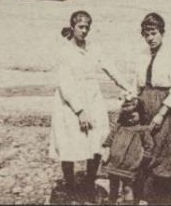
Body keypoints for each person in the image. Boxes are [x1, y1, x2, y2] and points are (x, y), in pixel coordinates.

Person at [50, 10, 134, 202]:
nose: (84, 31)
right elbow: (65, 83)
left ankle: (89, 181)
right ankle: (70, 185)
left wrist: (128, 87)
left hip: (93, 99)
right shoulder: (64, 51)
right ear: (72, 27)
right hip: (69, 103)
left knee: (97, 141)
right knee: (68, 142)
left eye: (87, 27)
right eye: (81, 27)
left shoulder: (93, 48)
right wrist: (79, 111)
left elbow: (110, 68)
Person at [134, 13, 171, 203]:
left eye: (154, 33)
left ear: (162, 33)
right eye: (146, 34)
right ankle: (145, 193)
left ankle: (162, 196)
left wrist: (161, 114)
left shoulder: (170, 55)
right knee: (146, 148)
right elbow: (137, 84)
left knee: (163, 152)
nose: (150, 38)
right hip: (145, 106)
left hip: (164, 109)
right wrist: (132, 100)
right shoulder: (142, 55)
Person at [103, 98, 154, 204]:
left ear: (140, 114)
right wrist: (106, 150)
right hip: (114, 162)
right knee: (113, 184)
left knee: (127, 187)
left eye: (132, 116)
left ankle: (128, 202)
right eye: (126, 116)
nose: (129, 119)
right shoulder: (119, 127)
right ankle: (112, 200)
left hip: (130, 165)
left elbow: (149, 146)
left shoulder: (142, 130)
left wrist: (143, 159)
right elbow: (109, 139)